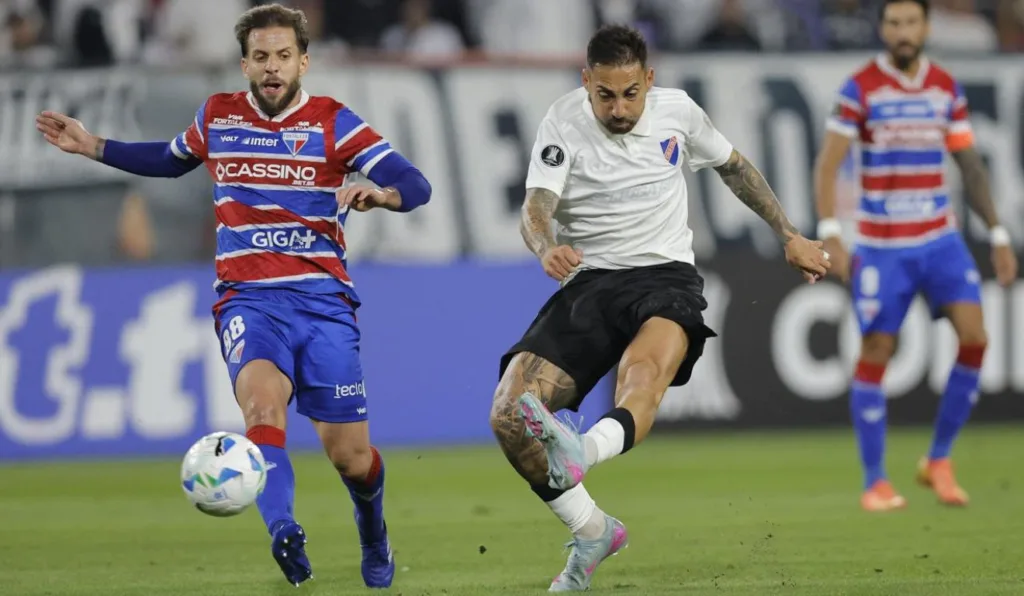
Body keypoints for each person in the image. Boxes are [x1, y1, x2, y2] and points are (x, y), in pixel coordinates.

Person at [34, 3, 432, 588]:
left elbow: (415, 185)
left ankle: (373, 532)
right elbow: (169, 161)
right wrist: (94, 145)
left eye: (284, 56)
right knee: (262, 412)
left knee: (351, 458)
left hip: (324, 305)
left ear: (304, 62)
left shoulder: (334, 122)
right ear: (245, 64)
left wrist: (382, 195)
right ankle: (284, 530)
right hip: (248, 301)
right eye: (261, 56)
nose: (272, 67)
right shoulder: (218, 116)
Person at [488, 24, 830, 592]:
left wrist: (789, 234)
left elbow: (734, 166)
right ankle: (591, 529)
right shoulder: (562, 120)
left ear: (649, 79)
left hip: (665, 277)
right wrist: (546, 247)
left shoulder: (679, 112)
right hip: (590, 282)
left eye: (630, 94)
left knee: (642, 375)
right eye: (605, 95)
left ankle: (583, 450)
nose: (619, 109)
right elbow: (536, 206)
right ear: (586, 82)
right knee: (507, 416)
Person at [813, 0, 1017, 513]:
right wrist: (831, 231)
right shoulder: (860, 88)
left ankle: (938, 460)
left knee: (976, 337)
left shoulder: (945, 87)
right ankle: (875, 481)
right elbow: (829, 164)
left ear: (926, 26)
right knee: (877, 350)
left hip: (939, 238)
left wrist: (997, 233)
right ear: (882, 28)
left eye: (910, 22)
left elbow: (969, 165)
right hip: (882, 245)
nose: (902, 31)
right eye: (893, 23)